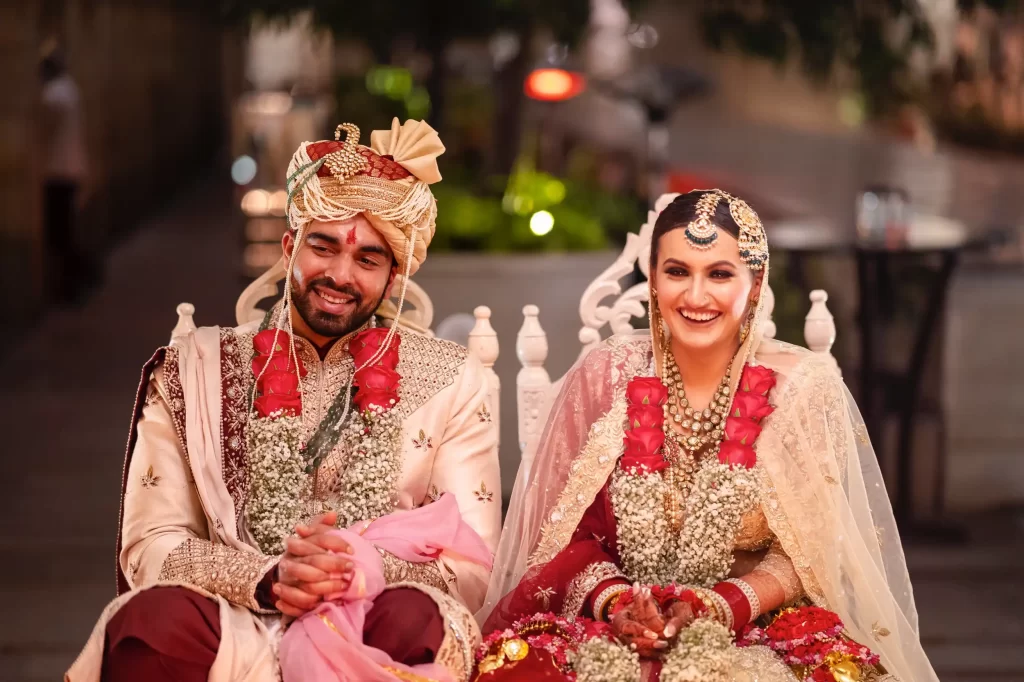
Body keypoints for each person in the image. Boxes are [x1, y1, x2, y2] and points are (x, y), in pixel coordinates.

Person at [67, 119, 501, 682]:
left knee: (419, 623)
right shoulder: (198, 367)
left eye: (368, 260)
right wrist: (271, 579)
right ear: (290, 245)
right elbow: (151, 543)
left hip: (374, 611)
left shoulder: (450, 378)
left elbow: (470, 564)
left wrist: (350, 570)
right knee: (147, 625)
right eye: (323, 247)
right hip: (233, 614)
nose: (340, 275)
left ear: (393, 278)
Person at [476, 190, 937, 681]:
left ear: (755, 284)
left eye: (719, 274)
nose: (696, 297)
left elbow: (814, 551)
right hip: (612, 620)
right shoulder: (606, 374)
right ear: (653, 279)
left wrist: (722, 605)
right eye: (677, 272)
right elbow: (564, 534)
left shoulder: (801, 386)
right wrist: (619, 604)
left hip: (756, 626)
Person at [39, 40, 98, 305]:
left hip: (57, 171)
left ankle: (74, 284)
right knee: (67, 231)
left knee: (59, 235)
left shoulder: (52, 94)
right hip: (73, 167)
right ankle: (78, 280)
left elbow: (44, 132)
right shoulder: (70, 89)